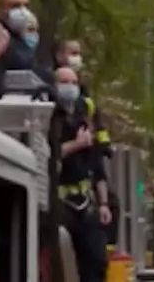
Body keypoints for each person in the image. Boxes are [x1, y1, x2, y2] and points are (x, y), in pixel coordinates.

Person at [53, 66, 111, 282]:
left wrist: (103, 203)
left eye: (74, 82)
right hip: (59, 202)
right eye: (64, 82)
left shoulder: (84, 117)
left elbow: (97, 165)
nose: (70, 87)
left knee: (96, 261)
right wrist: (76, 145)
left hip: (85, 203)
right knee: (59, 262)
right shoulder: (50, 117)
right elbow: (48, 155)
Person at [54, 39, 113, 158]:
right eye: (73, 53)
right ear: (59, 56)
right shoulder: (50, 87)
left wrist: (104, 142)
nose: (77, 58)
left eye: (79, 54)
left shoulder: (83, 90)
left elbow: (96, 119)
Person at [0, 0, 53, 85]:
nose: (23, 11)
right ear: (0, 9)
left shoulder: (21, 40)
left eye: (26, 6)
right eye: (15, 6)